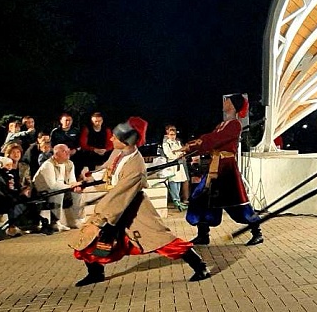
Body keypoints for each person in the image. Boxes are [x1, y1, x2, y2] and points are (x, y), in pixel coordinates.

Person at [70, 118, 211, 286]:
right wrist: (85, 182)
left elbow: (121, 194)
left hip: (133, 209)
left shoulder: (136, 166)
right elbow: (106, 171)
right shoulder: (118, 153)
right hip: (114, 207)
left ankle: (200, 266)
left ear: (126, 141)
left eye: (115, 137)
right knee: (88, 238)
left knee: (161, 241)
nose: (111, 139)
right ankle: (95, 273)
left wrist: (105, 218)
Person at [184, 93, 264, 246]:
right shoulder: (222, 125)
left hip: (226, 168)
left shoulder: (235, 125)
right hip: (215, 166)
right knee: (201, 198)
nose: (224, 102)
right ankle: (203, 234)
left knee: (236, 201)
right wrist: (190, 148)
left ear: (233, 105)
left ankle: (257, 232)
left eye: (227, 100)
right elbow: (210, 139)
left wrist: (192, 146)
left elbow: (214, 140)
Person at [32, 144, 79, 231]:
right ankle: (55, 222)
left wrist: (76, 186)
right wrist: (70, 186)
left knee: (77, 192)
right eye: (64, 151)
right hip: (42, 191)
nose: (67, 153)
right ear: (56, 154)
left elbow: (72, 181)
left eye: (67, 150)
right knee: (58, 191)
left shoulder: (69, 164)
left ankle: (73, 220)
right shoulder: (48, 165)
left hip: (61, 188)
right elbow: (52, 185)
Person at [161, 124, 188, 211]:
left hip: (179, 164)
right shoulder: (166, 144)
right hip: (172, 165)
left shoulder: (178, 142)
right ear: (168, 135)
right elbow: (168, 154)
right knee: (173, 183)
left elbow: (182, 151)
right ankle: (176, 201)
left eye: (174, 134)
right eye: (171, 134)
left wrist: (179, 154)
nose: (173, 136)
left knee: (179, 182)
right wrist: (177, 155)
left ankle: (178, 201)